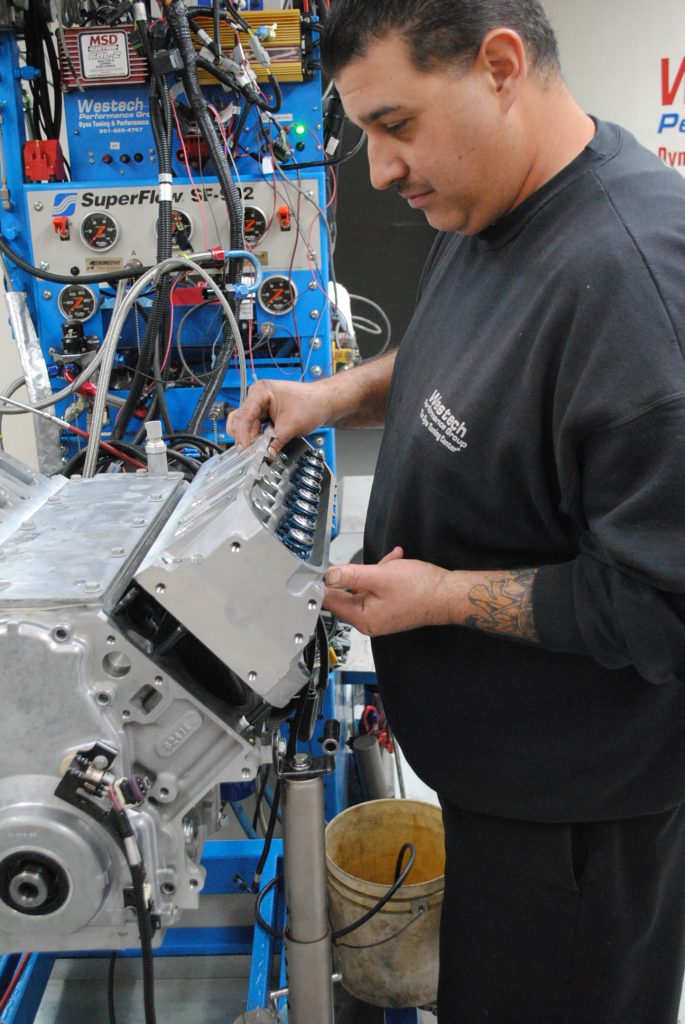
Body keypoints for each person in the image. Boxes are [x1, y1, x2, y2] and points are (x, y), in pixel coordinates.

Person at [227, 1, 685, 1020]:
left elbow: (663, 607)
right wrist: (338, 393)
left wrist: (438, 599)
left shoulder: (634, 285)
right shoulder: (490, 202)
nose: (382, 171)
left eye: (396, 126)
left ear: (499, 66)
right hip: (499, 787)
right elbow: (458, 358)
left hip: (576, 825)